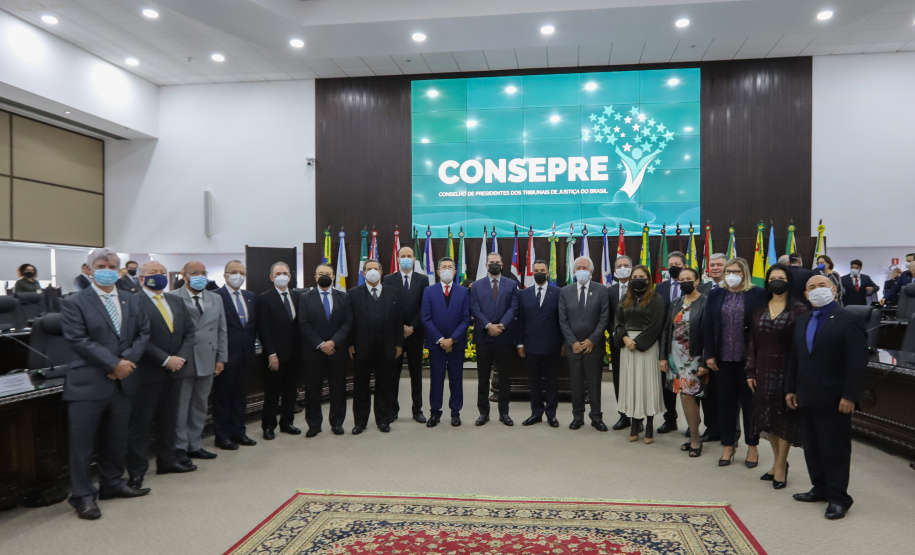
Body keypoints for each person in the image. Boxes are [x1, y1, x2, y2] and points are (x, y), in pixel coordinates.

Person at [59, 248, 151, 520]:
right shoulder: (74, 301)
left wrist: (126, 363)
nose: (107, 268)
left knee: (116, 438)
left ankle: (112, 483)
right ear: (88, 269)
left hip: (122, 383)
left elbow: (143, 333)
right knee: (82, 445)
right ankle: (83, 496)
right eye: (101, 265)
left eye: (113, 265)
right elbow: (78, 340)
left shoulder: (131, 300)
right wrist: (114, 364)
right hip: (87, 383)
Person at [786, 275, 867, 520]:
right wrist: (790, 388)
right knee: (812, 447)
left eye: (822, 285)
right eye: (811, 287)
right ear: (806, 294)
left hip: (835, 398)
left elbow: (857, 362)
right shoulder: (802, 320)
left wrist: (850, 395)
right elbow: (795, 358)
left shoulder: (850, 319)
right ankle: (819, 488)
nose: (817, 290)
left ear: (833, 289)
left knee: (835, 449)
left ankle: (839, 498)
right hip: (806, 394)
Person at [126, 262, 196, 488]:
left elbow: (189, 333)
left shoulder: (176, 301)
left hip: (175, 371)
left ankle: (167, 461)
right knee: (142, 424)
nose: (159, 276)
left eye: (162, 272)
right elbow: (137, 338)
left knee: (170, 420)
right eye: (153, 273)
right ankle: (137, 470)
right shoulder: (134, 302)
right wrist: (165, 359)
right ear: (141, 278)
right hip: (147, 373)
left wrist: (180, 358)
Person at [746, 264, 807, 490]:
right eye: (772, 278)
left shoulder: (799, 310)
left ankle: (781, 466)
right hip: (762, 369)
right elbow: (752, 341)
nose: (776, 281)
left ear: (789, 281)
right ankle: (776, 461)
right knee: (768, 419)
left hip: (787, 370)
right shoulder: (759, 308)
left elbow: (800, 346)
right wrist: (750, 371)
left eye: (780, 278)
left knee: (784, 420)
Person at [704, 257, 766, 467]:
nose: (731, 274)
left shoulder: (757, 294)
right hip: (722, 360)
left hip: (747, 361)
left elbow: (761, 328)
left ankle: (752, 446)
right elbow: (708, 326)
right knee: (725, 405)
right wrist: (709, 354)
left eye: (736, 271)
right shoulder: (715, 294)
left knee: (750, 405)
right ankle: (728, 445)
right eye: (728, 270)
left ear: (744, 273)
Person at [167, 261, 226, 463]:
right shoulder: (172, 297)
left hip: (208, 358)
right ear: (184, 275)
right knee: (181, 407)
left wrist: (221, 357)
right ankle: (180, 447)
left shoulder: (215, 298)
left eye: (203, 273)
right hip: (184, 359)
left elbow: (221, 330)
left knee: (200, 406)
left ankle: (195, 444)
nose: (200, 276)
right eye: (195, 273)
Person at [348, 260, 404, 434]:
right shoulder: (352, 294)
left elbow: (398, 320)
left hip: (386, 347)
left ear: (381, 272)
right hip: (361, 347)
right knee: (361, 386)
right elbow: (349, 321)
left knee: (384, 385)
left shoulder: (394, 293)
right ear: (363, 274)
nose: (372, 271)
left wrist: (399, 343)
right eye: (368, 269)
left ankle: (383, 419)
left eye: (375, 269)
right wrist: (350, 343)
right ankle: (360, 422)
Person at [298, 263, 353, 436]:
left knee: (338, 389)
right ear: (315, 277)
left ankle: (337, 422)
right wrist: (321, 344)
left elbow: (348, 322)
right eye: (320, 273)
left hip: (336, 351)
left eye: (327, 273)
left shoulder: (344, 297)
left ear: (334, 277)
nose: (324, 276)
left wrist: (333, 342)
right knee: (313, 390)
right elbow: (303, 323)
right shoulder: (305, 297)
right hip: (313, 351)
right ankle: (314, 424)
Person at [615, 264, 666, 444]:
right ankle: (635, 424)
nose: (637, 279)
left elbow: (657, 324)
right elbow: (618, 322)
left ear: (648, 279)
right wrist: (625, 339)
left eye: (641, 276)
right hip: (627, 347)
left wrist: (638, 342)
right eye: (634, 276)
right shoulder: (624, 299)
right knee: (632, 386)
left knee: (646, 386)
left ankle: (650, 424)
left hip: (647, 346)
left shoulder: (656, 298)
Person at [659, 267, 708, 456]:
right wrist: (663, 356)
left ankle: (695, 440)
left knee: (688, 397)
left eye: (689, 279)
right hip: (674, 358)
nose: (685, 282)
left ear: (697, 281)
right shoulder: (675, 303)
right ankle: (693, 434)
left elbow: (708, 334)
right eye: (682, 279)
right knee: (683, 396)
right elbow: (666, 330)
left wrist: (704, 360)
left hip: (693, 358)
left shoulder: (705, 302)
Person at [559, 256, 610, 431]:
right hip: (573, 347)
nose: (581, 270)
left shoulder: (601, 290)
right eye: (578, 268)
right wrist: (573, 342)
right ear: (574, 271)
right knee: (576, 383)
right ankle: (577, 417)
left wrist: (592, 340)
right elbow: (563, 320)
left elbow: (604, 318)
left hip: (593, 346)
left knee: (594, 383)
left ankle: (596, 417)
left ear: (591, 271)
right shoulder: (565, 291)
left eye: (585, 268)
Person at [470, 252, 519, 426]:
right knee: (483, 378)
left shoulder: (512, 285)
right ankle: (483, 412)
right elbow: (474, 308)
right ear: (486, 265)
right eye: (491, 262)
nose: (494, 265)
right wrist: (488, 326)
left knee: (505, 378)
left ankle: (504, 412)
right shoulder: (476, 285)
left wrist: (501, 326)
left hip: (504, 337)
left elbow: (514, 308)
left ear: (503, 264)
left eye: (497, 262)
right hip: (484, 337)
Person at [213, 260, 258, 449]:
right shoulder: (215, 297)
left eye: (242, 273)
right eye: (234, 272)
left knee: (240, 397)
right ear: (225, 275)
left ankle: (239, 432)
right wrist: (218, 357)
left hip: (246, 355)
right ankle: (222, 436)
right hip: (225, 357)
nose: (238, 276)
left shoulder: (250, 297)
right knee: (223, 398)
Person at [421, 257, 470, 427]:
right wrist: (441, 339)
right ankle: (435, 413)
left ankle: (455, 412)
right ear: (438, 271)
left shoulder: (463, 292)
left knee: (456, 379)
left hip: (457, 344)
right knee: (436, 379)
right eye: (444, 267)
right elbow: (425, 318)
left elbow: (465, 319)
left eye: (450, 267)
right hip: (437, 344)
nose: (447, 270)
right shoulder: (429, 291)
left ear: (455, 271)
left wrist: (452, 339)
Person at [256, 262, 302, 439]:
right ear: (271, 277)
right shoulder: (264, 298)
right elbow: (264, 329)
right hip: (275, 355)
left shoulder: (297, 296)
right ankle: (268, 426)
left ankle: (287, 423)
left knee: (291, 391)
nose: (282, 276)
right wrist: (271, 353)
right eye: (278, 273)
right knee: (273, 392)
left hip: (295, 354)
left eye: (285, 273)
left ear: (290, 277)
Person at [383, 246, 428, 423]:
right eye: (403, 256)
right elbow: (387, 305)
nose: (406, 258)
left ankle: (417, 410)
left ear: (414, 260)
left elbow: (425, 305)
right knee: (393, 375)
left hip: (416, 335)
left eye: (409, 256)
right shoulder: (388, 279)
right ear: (398, 258)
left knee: (416, 374)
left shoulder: (423, 279)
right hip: (395, 334)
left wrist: (412, 326)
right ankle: (393, 410)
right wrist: (401, 326)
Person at [517, 260, 562, 427]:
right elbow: (520, 321)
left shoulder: (558, 292)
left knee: (551, 381)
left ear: (548, 273)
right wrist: (520, 344)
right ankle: (536, 413)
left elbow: (562, 321)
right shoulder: (523, 294)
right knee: (534, 381)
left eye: (542, 270)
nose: (539, 273)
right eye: (536, 270)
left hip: (552, 345)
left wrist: (563, 343)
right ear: (532, 272)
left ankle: (551, 414)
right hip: (531, 345)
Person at [653, 251, 686, 434]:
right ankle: (670, 419)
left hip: (686, 343)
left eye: (677, 264)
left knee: (689, 384)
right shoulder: (659, 288)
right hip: (665, 340)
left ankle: (692, 423)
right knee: (667, 384)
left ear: (684, 266)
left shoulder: (693, 286)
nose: (674, 267)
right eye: (670, 264)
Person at [607, 255, 633, 431]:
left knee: (635, 379)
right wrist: (619, 334)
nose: (622, 268)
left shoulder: (640, 288)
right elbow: (607, 317)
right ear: (614, 270)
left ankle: (637, 415)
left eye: (626, 265)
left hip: (637, 342)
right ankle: (623, 416)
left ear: (631, 268)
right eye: (619, 266)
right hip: (617, 342)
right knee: (618, 379)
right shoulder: (609, 291)